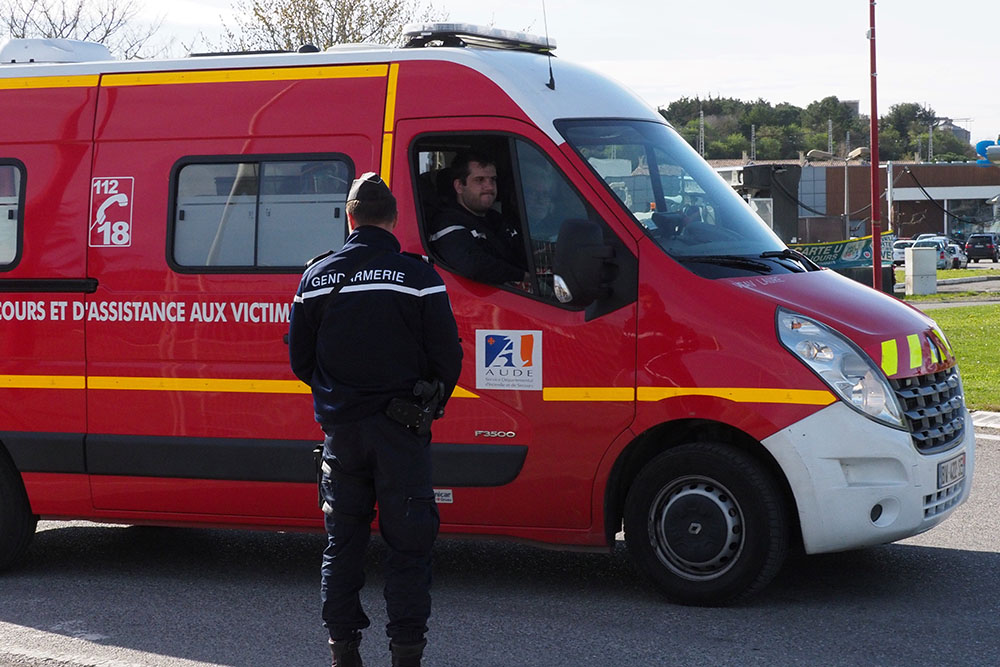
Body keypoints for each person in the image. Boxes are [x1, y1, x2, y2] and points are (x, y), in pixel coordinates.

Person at [288, 172, 463, 667]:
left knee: (342, 547)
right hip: (401, 434)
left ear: (349, 217)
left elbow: (301, 360)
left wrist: (339, 398)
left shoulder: (316, 278)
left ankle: (343, 652)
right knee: (408, 549)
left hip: (342, 435)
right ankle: (406, 653)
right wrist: (428, 402)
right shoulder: (419, 276)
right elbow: (447, 356)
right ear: (393, 219)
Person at [428, 151, 530, 284]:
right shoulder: (446, 223)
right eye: (480, 180)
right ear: (459, 186)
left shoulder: (497, 219)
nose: (489, 187)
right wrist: (523, 277)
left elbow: (524, 252)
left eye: (492, 179)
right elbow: (473, 265)